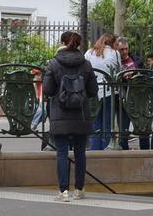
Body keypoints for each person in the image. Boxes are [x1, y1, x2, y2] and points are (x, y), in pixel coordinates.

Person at [42, 31, 98, 202]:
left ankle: (63, 192)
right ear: (78, 45)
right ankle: (79, 190)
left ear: (62, 42)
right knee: (80, 152)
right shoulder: (86, 64)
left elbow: (48, 90)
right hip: (81, 114)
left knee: (61, 152)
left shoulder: (54, 63)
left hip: (60, 113)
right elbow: (93, 91)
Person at [84, 33, 120, 150]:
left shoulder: (89, 52)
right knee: (107, 124)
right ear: (112, 42)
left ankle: (94, 151)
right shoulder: (114, 53)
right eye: (116, 43)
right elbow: (118, 71)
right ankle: (106, 150)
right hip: (110, 92)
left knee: (95, 124)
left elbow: (84, 68)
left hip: (93, 92)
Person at [116, 37, 136, 150]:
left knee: (126, 126)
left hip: (131, 97)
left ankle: (124, 146)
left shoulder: (135, 60)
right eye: (121, 49)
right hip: (117, 97)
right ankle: (122, 146)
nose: (124, 51)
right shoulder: (114, 61)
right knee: (120, 125)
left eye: (126, 49)